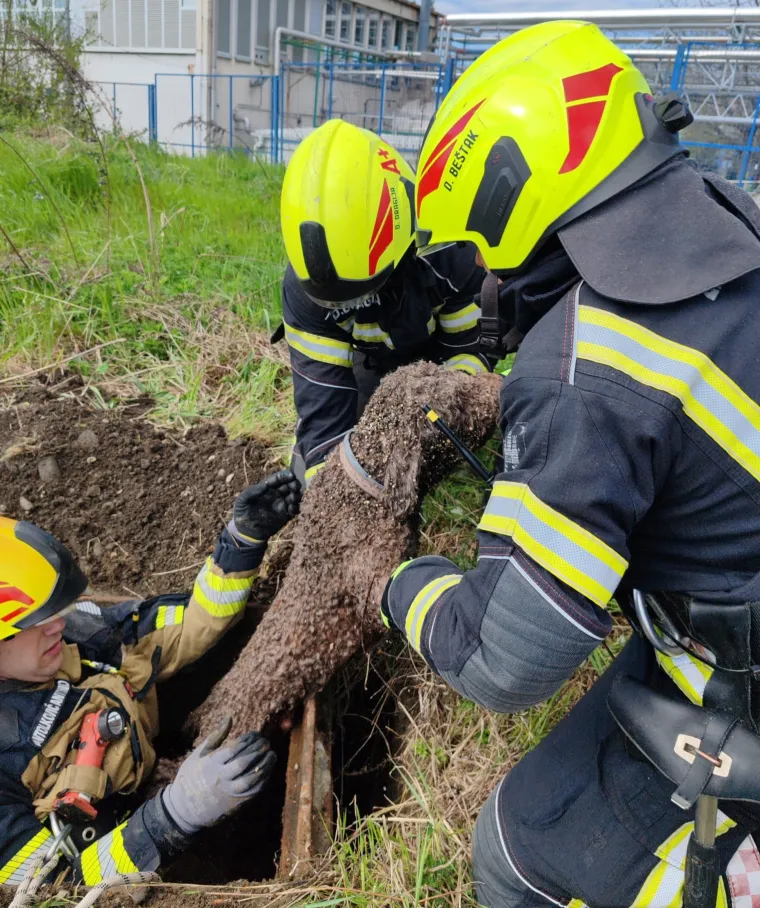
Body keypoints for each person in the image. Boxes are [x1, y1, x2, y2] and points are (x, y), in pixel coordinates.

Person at [380, 20, 760, 908]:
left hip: (734, 676)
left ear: (512, 203)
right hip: (731, 601)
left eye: (470, 251)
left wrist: (398, 583)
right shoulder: (733, 216)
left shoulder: (587, 367)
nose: (475, 282)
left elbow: (505, 663)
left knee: (518, 852)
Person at [0, 469, 301, 886]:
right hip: (130, 864)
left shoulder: (75, 635)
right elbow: (57, 886)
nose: (57, 625)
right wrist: (175, 814)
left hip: (154, 782)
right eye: (35, 621)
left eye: (56, 608)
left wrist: (241, 542)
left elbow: (186, 625)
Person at [278, 119, 490, 487]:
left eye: (364, 291)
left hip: (442, 362)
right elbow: (324, 412)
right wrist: (335, 490)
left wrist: (443, 404)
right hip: (372, 361)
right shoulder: (305, 292)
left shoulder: (452, 254)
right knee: (318, 466)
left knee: (450, 442)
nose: (358, 303)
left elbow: (470, 349)